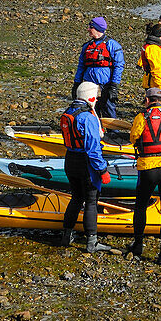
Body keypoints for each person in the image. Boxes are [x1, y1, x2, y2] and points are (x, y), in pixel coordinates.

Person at [125, 87, 161, 265]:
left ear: (147, 101)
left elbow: (134, 138)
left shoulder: (140, 118)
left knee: (141, 207)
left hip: (147, 169)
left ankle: (138, 246)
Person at [58, 82, 112, 253]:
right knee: (90, 200)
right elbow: (93, 149)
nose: (97, 99)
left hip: (70, 160)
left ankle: (66, 235)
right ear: (90, 96)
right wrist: (102, 170)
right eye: (95, 96)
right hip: (86, 164)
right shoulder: (88, 117)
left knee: (76, 198)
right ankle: (92, 242)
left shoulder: (68, 112)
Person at [74, 16, 124, 119]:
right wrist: (77, 83)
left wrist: (114, 85)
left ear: (98, 29)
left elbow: (119, 66)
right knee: (90, 110)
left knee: (108, 110)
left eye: (91, 27)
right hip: (89, 85)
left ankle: (113, 133)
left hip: (105, 85)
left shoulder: (112, 45)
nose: (88, 29)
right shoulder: (87, 46)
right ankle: (94, 131)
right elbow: (81, 65)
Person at [138, 22, 161, 91]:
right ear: (158, 37)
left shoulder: (156, 46)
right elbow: (155, 69)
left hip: (158, 82)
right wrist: (160, 85)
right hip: (154, 84)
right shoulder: (153, 48)